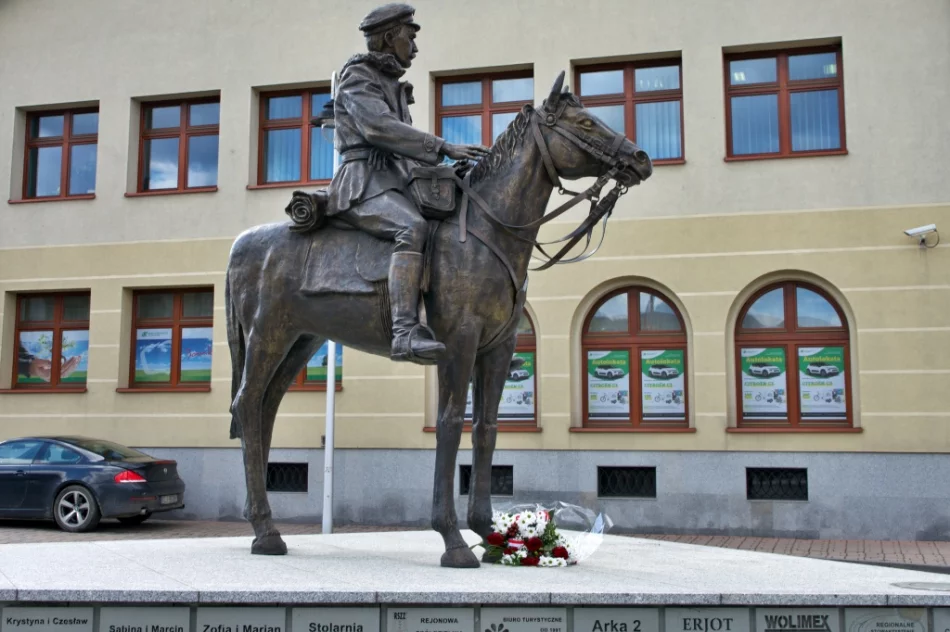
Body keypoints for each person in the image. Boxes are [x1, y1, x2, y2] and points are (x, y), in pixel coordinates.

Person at [326, 3, 490, 365]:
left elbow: (395, 141)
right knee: (411, 228)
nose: (415, 48)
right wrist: (443, 146)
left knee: (449, 225)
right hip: (363, 184)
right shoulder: (359, 77)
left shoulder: (392, 83)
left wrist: (451, 170)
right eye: (410, 38)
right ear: (389, 37)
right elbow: (378, 128)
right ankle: (404, 332)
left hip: (393, 179)